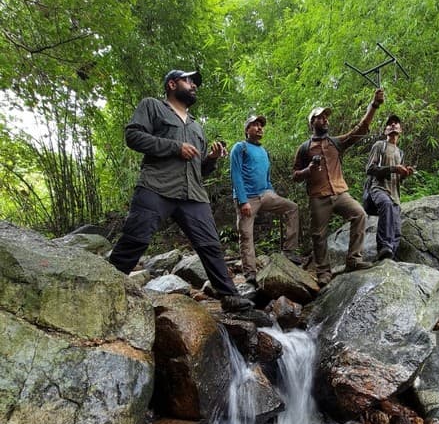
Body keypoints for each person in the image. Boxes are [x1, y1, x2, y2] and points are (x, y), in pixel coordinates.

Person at [109, 69, 253, 312]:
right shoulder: (152, 106)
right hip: (156, 186)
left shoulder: (197, 128)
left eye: (195, 82)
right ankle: (104, 286)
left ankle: (229, 297)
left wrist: (211, 158)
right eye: (188, 80)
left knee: (210, 245)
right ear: (172, 84)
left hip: (193, 195)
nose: (194, 85)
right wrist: (175, 147)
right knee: (135, 240)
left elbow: (200, 170)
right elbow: (132, 136)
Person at [292, 88, 385, 287]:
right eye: (320, 117)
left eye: (326, 117)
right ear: (312, 123)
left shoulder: (336, 143)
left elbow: (359, 130)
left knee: (359, 214)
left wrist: (373, 105)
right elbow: (295, 176)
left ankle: (353, 260)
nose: (325, 119)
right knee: (318, 235)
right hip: (318, 196)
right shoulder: (304, 148)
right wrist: (308, 170)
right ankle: (323, 272)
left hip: (340, 192)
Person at [230, 115, 301, 286]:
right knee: (246, 234)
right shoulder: (240, 148)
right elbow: (236, 174)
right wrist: (242, 200)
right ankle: (250, 272)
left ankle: (289, 250)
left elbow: (267, 177)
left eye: (261, 125)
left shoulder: (264, 151)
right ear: (247, 130)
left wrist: (272, 193)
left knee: (292, 208)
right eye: (255, 125)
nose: (259, 128)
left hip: (266, 194)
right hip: (248, 197)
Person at [363, 114, 415, 260]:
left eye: (396, 123)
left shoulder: (400, 153)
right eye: (389, 124)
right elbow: (370, 169)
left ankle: (389, 257)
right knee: (385, 205)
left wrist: (405, 174)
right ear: (385, 130)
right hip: (378, 188)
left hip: (395, 194)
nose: (393, 125)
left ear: (401, 130)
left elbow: (399, 179)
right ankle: (384, 247)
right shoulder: (379, 146)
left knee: (397, 228)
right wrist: (393, 168)